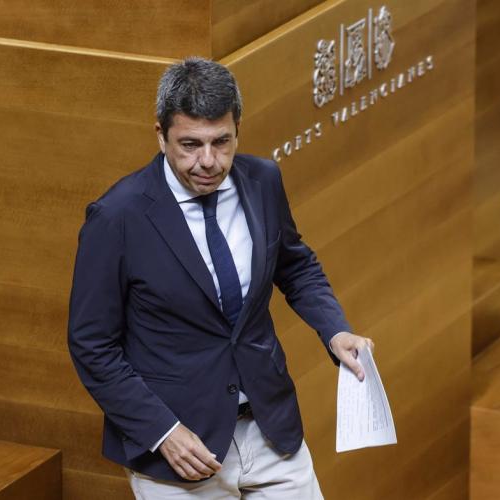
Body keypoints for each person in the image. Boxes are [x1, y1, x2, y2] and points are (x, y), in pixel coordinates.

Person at [68, 56, 375, 499]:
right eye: (190, 144)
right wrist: (162, 431)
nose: (208, 161)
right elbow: (91, 344)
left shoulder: (262, 180)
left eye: (221, 142)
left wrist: (335, 330)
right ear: (160, 135)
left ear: (237, 131)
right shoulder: (117, 217)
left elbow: (295, 266)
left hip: (271, 432)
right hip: (180, 451)